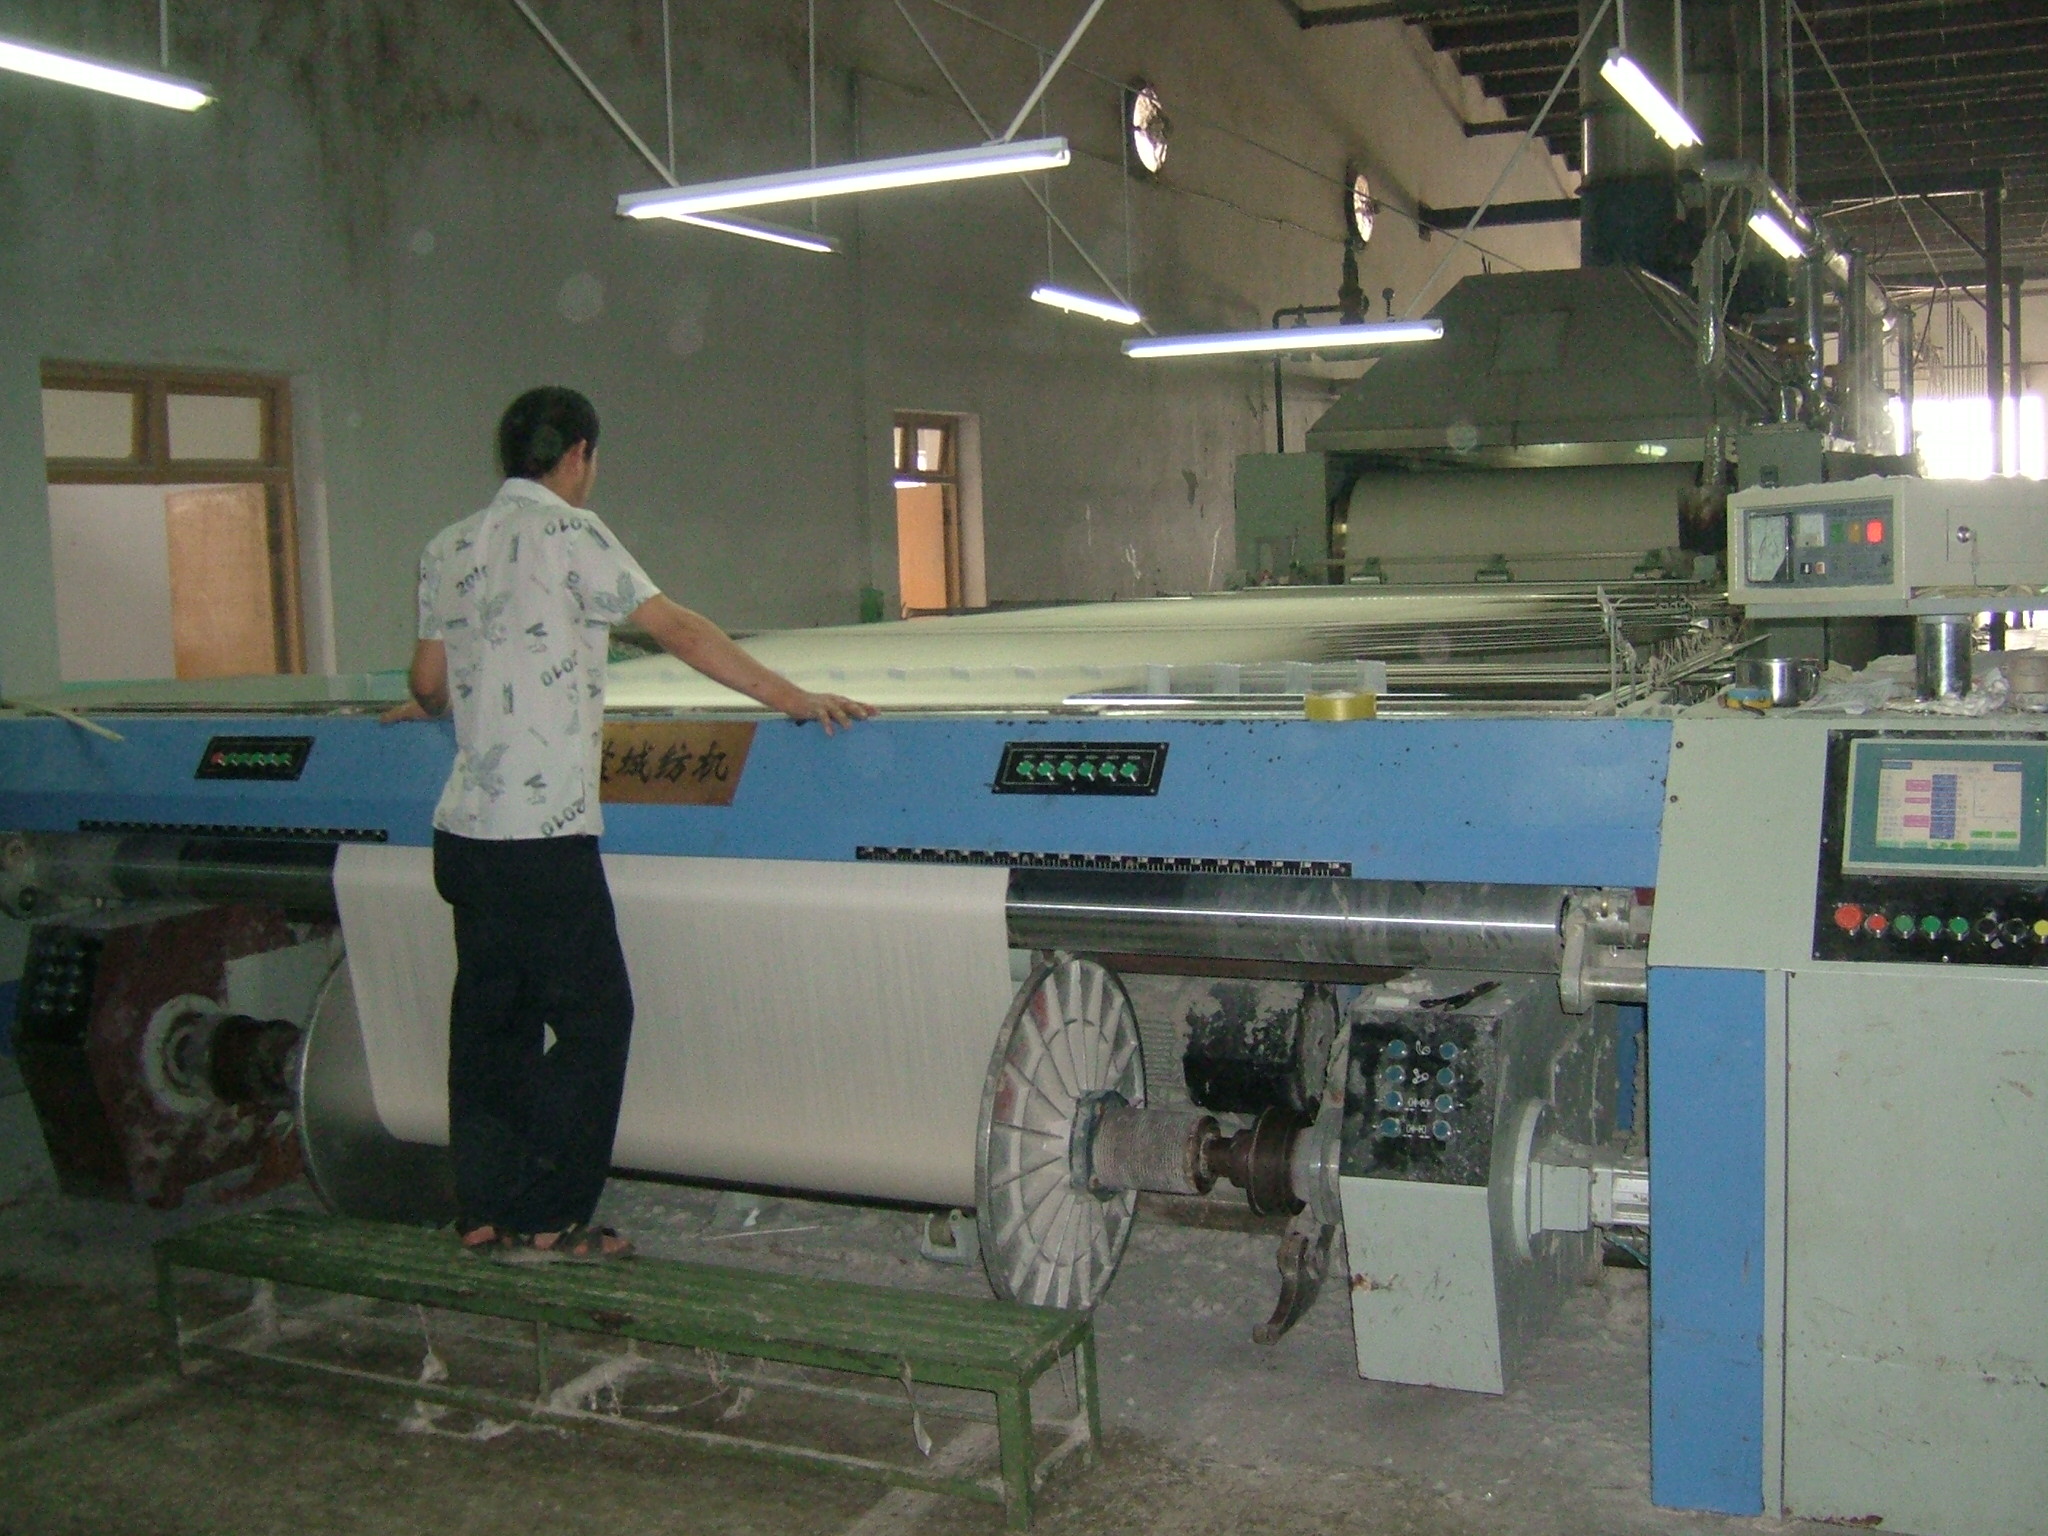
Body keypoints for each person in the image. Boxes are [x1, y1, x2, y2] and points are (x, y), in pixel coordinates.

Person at [385, 386, 873, 1261]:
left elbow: (427, 684)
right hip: (544, 836)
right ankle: (551, 1216)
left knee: (490, 1025)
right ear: (578, 454)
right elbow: (677, 630)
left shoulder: (447, 546)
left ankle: (485, 1209)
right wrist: (793, 698)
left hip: (464, 836)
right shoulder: (573, 535)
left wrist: (441, 705)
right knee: (594, 1022)